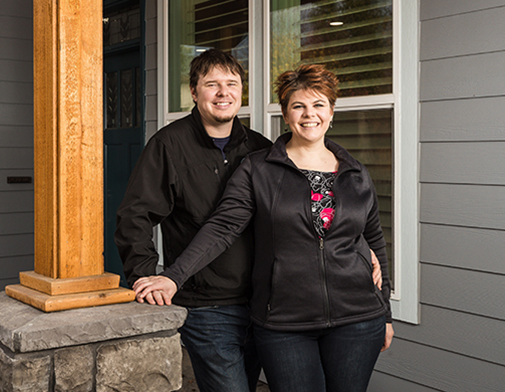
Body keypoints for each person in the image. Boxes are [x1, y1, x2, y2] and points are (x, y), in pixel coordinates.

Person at [133, 64, 394, 392]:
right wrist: (173, 276)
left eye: (318, 105)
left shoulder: (356, 173)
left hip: (358, 318)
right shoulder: (259, 169)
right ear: (285, 115)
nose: (309, 114)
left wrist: (384, 312)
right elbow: (224, 226)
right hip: (284, 322)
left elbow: (373, 240)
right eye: (298, 106)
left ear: (331, 113)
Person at [114, 49, 272, 392]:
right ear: (194, 92)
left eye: (232, 84)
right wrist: (144, 276)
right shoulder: (169, 146)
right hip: (206, 306)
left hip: (261, 302)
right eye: (212, 84)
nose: (223, 92)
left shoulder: (260, 148)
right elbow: (134, 215)